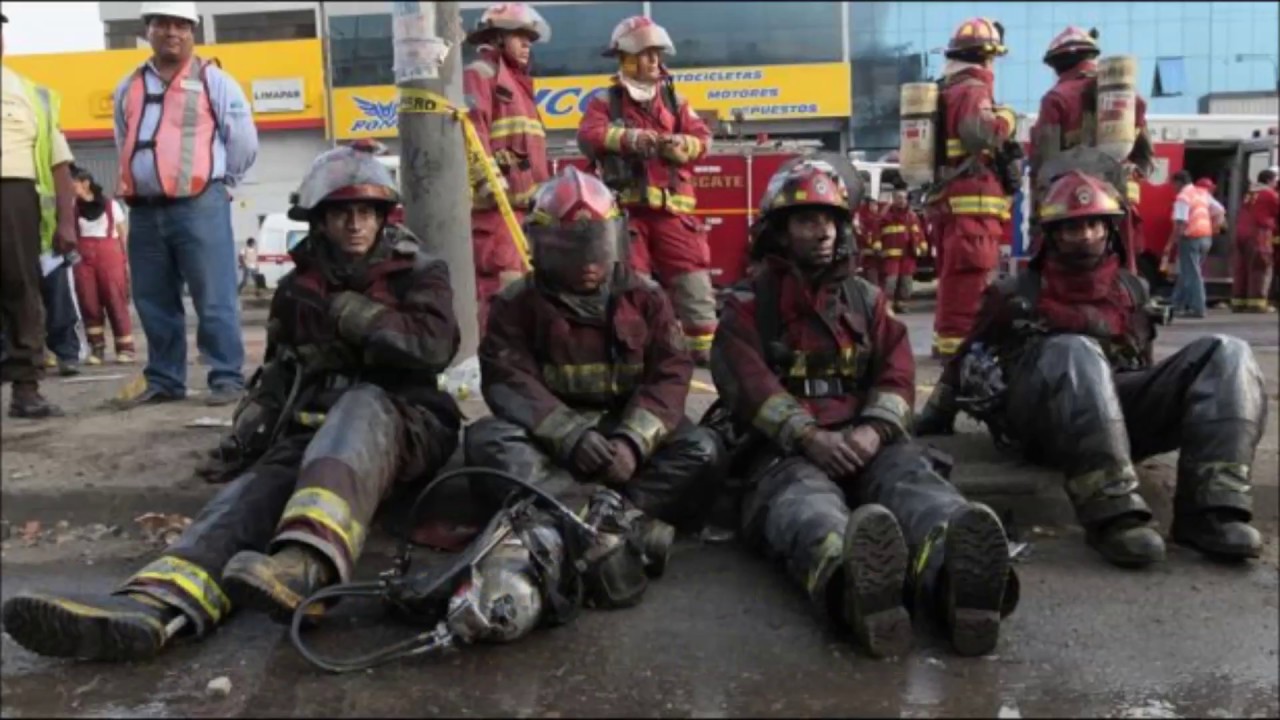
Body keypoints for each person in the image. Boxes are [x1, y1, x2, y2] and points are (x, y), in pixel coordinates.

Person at [1, 141, 465, 662]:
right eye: (341, 214)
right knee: (252, 493)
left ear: (383, 217)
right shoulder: (297, 289)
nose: (356, 224)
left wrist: (348, 312)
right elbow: (279, 377)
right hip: (319, 432)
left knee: (360, 405)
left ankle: (307, 567)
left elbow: (434, 346)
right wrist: (246, 441)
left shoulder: (418, 271)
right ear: (318, 220)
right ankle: (157, 604)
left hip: (407, 423)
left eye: (367, 212)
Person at [709, 160, 1017, 659]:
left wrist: (875, 430)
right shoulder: (747, 306)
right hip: (785, 453)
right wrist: (808, 436)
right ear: (779, 232)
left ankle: (956, 580)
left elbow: (898, 373)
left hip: (865, 442)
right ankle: (855, 590)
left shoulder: (867, 299)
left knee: (916, 486)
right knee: (806, 510)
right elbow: (749, 385)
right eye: (807, 220)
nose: (823, 232)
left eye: (830, 220)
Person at [916, 165, 1266, 568]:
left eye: (1094, 225)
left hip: (1115, 411)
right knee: (1074, 350)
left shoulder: (1131, 289)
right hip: (1044, 420)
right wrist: (935, 414)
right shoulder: (1015, 294)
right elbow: (964, 357)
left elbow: (1142, 361)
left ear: (1109, 230)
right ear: (1052, 235)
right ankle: (1113, 515)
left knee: (1227, 353)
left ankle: (1213, 511)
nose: (1085, 236)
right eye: (1072, 228)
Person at [466, 167, 721, 543]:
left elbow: (670, 374)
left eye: (597, 248)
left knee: (703, 449)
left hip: (623, 432)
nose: (588, 263)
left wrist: (633, 442)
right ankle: (611, 522)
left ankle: (602, 518)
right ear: (544, 247)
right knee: (487, 441)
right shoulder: (515, 304)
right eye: (573, 250)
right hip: (551, 440)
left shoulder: (646, 297)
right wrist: (570, 436)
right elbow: (509, 381)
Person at [110, 1, 259, 409]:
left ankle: (226, 376)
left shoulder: (215, 80)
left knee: (214, 296)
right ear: (148, 30)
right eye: (162, 24)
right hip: (144, 210)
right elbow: (123, 139)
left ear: (193, 32)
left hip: (200, 205)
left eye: (181, 25)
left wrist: (224, 183)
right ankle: (165, 378)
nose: (172, 33)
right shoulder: (128, 86)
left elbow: (244, 140)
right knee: (152, 299)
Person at [577, 16, 717, 365]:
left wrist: (682, 146)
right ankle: (634, 354)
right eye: (645, 53)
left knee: (693, 281)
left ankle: (706, 354)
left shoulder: (674, 100)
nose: (655, 60)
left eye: (657, 53)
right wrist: (630, 138)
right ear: (626, 58)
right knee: (630, 286)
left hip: (674, 214)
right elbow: (589, 136)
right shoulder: (605, 101)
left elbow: (703, 138)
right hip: (628, 215)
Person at [927, 17, 1020, 359]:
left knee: (956, 280)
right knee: (970, 279)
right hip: (972, 207)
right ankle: (962, 355)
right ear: (986, 56)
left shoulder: (950, 89)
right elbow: (979, 135)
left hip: (956, 204)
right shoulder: (972, 90)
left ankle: (950, 347)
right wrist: (1007, 118)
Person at [1, 11, 79, 418]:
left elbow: (59, 164)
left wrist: (66, 222)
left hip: (15, 198)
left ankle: (26, 389)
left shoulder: (31, 93)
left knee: (21, 289)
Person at [1029, 26, 1154, 273]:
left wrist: (1038, 206)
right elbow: (1145, 157)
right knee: (1121, 268)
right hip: (1118, 202)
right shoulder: (1128, 98)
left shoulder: (1056, 99)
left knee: (1067, 271)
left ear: (1057, 64)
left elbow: (1044, 160)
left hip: (1072, 205)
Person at [462, 3, 552, 331]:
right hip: (496, 212)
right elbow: (471, 130)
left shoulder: (519, 85)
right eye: (519, 37)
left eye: (530, 38)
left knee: (526, 297)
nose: (527, 44)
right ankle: (495, 356)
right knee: (503, 294)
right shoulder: (481, 74)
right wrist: (487, 180)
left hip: (523, 214)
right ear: (497, 38)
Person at [70, 164, 135, 365]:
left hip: (110, 258)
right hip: (83, 261)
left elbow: (122, 233)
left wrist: (126, 260)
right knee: (88, 301)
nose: (70, 187)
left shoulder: (110, 205)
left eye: (73, 183)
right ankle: (97, 348)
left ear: (85, 184)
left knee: (115, 299)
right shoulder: (72, 206)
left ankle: (125, 348)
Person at [1167, 171, 1224, 319]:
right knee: (1187, 272)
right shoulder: (1202, 193)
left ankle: (1198, 308)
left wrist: (1173, 242)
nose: (1173, 187)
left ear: (1178, 183)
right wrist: (1213, 226)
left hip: (1190, 238)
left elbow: (1181, 221)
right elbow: (1220, 210)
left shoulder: (1183, 197)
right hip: (1206, 237)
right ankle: (1176, 303)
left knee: (1192, 275)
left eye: (1173, 184)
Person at [1232, 168, 1278, 313]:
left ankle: (1239, 302)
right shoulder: (1269, 194)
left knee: (1242, 268)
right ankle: (1257, 304)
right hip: (1258, 233)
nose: (1276, 184)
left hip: (1241, 233)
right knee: (1260, 266)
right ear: (1269, 180)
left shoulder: (1250, 193)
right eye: (1275, 181)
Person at [876, 184, 928, 313]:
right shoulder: (886, 216)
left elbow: (919, 232)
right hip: (891, 255)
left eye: (904, 198)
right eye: (899, 197)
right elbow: (876, 232)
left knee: (906, 281)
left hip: (908, 254)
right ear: (893, 199)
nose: (902, 200)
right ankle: (887, 305)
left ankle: (902, 304)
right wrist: (877, 245)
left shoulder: (912, 216)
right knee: (890, 281)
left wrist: (923, 245)